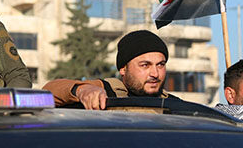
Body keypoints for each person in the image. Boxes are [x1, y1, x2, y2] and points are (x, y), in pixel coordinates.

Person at [43, 29, 176, 109]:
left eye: (160, 64)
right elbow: (49, 92)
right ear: (123, 69)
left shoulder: (175, 106)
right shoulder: (106, 91)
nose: (155, 73)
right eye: (145, 65)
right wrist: (82, 90)